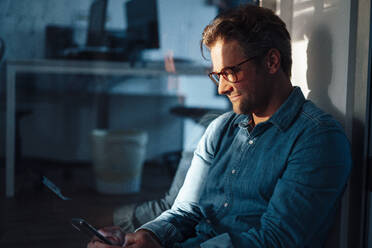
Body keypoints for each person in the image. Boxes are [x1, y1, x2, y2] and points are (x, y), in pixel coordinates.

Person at [88, 4, 352, 248]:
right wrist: (150, 236)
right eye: (217, 75)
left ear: (272, 62)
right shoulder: (220, 129)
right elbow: (185, 210)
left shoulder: (317, 139)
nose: (222, 87)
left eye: (230, 72)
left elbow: (274, 241)